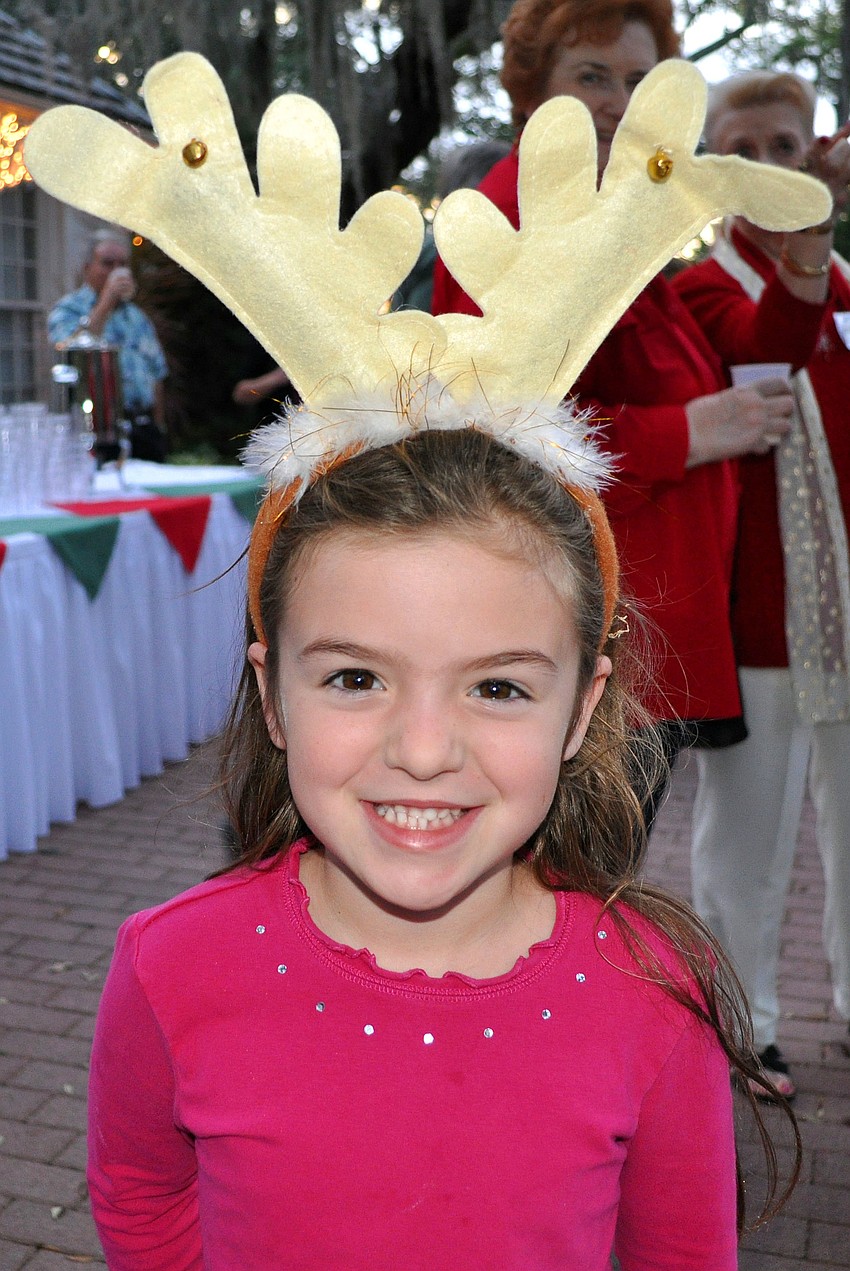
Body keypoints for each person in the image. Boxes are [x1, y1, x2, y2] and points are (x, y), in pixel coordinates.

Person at [26, 43, 828, 1271]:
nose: (421, 745)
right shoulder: (170, 967)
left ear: (584, 706)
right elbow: (142, 1196)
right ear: (269, 685)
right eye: (354, 674)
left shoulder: (653, 995)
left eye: (499, 683)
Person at [432, 0, 820, 810]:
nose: (619, 100)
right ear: (532, 92)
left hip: (642, 629)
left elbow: (737, 352)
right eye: (592, 75)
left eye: (640, 80)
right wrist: (691, 431)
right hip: (582, 627)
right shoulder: (514, 214)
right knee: (560, 883)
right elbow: (497, 426)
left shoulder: (607, 216)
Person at [673, 70, 850, 1100]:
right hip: (758, 611)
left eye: (787, 145)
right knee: (746, 837)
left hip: (843, 603)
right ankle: (744, 1023)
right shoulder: (703, 286)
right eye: (746, 148)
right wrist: (811, 233)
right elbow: (760, 358)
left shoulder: (839, 287)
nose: (771, 165)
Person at [48, 228, 169, 462]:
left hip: (142, 428)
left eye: (122, 264)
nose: (117, 271)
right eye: (107, 263)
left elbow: (156, 375)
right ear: (86, 268)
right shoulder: (68, 309)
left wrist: (159, 428)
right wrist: (107, 300)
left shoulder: (136, 317)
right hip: (95, 430)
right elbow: (69, 351)